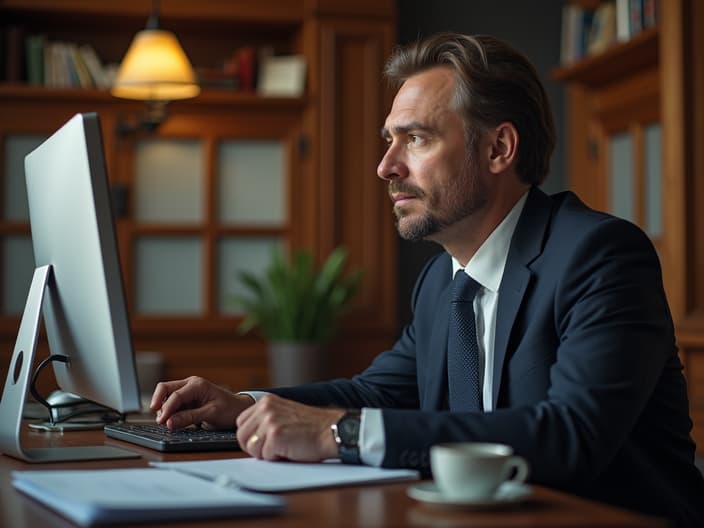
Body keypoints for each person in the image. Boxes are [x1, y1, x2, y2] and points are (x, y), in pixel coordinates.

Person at [151, 33, 704, 526]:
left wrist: (335, 433)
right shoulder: (442, 281)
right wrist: (243, 405)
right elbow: (377, 392)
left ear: (498, 149)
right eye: (388, 141)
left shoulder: (599, 255)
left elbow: (570, 434)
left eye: (415, 139)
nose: (386, 166)